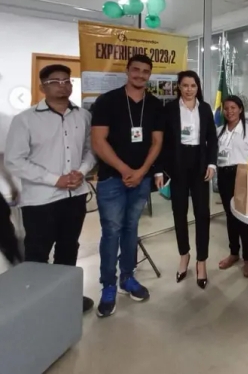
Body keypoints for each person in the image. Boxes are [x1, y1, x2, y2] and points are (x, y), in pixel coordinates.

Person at [5, 64, 96, 312]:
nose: (62, 85)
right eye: (55, 81)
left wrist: (82, 171)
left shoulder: (83, 116)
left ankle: (65, 299)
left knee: (69, 248)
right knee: (38, 253)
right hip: (41, 201)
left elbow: (90, 150)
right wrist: (54, 179)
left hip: (75, 196)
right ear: (42, 86)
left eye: (67, 81)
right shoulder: (25, 120)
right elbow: (14, 160)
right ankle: (37, 306)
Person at [91, 54, 164, 318]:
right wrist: (125, 170)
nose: (140, 75)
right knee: (111, 231)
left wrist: (141, 172)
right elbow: (98, 141)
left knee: (131, 229)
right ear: (127, 70)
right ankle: (108, 286)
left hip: (140, 180)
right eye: (136, 70)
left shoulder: (154, 104)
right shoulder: (107, 101)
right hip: (112, 179)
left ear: (150, 75)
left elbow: (157, 142)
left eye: (145, 71)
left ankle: (127, 278)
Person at [156, 71, 217, 288]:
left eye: (193, 85)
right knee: (179, 213)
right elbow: (161, 142)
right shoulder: (170, 109)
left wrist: (212, 164)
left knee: (202, 214)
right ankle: (184, 255)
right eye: (185, 85)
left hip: (200, 165)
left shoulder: (205, 108)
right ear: (179, 87)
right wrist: (159, 171)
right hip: (178, 165)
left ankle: (202, 261)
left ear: (197, 87)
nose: (189, 89)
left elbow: (212, 138)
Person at [216, 95, 248, 278]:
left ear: (240, 109)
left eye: (233, 108)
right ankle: (234, 253)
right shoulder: (219, 131)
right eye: (226, 108)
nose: (229, 111)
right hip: (224, 175)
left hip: (242, 175)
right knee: (230, 216)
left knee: (243, 218)